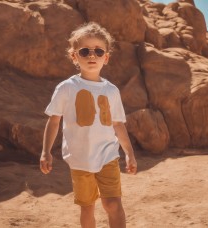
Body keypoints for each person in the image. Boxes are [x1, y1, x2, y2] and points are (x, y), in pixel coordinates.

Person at [39, 22, 137, 228]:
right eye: (85, 51)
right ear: (74, 56)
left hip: (108, 155)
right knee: (87, 207)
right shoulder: (66, 88)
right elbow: (54, 120)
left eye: (98, 51)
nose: (92, 55)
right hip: (79, 158)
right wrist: (45, 151)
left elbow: (118, 124)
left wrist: (129, 153)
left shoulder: (112, 91)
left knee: (113, 204)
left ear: (106, 57)